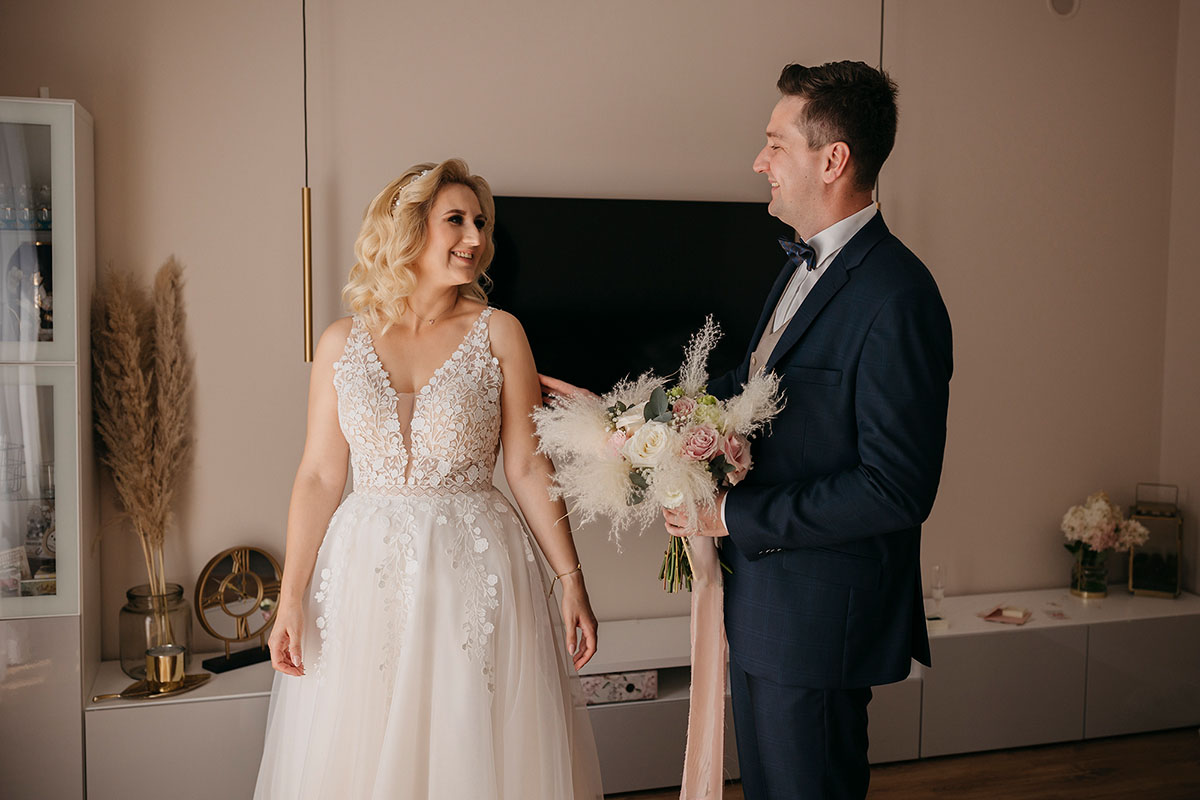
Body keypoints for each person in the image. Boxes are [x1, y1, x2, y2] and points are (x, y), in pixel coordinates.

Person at [545, 61, 952, 800]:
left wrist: (729, 514)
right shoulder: (799, 269)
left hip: (819, 620)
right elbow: (743, 391)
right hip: (765, 605)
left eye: (775, 143)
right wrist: (621, 416)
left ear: (832, 160)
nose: (759, 161)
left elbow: (895, 489)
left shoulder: (898, 297)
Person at [256, 158, 604, 799]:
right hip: (364, 571)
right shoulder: (340, 341)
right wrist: (291, 596)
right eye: (457, 220)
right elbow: (319, 475)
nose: (475, 237)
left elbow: (528, 466)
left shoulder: (500, 332)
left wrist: (571, 579)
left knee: (467, 738)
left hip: (474, 568)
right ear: (410, 228)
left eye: (481, 223)